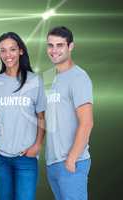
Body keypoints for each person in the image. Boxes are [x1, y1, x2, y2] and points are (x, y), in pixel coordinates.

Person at [0, 32, 46, 200]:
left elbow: (41, 117)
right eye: (3, 50)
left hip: (26, 157)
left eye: (12, 49)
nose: (8, 55)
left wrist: (37, 146)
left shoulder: (35, 81)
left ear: (21, 51)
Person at [45, 26, 94, 200]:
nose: (54, 50)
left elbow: (87, 122)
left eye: (60, 45)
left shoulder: (78, 77)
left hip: (72, 163)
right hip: (53, 163)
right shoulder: (50, 78)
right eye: (50, 45)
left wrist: (72, 159)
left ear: (70, 46)